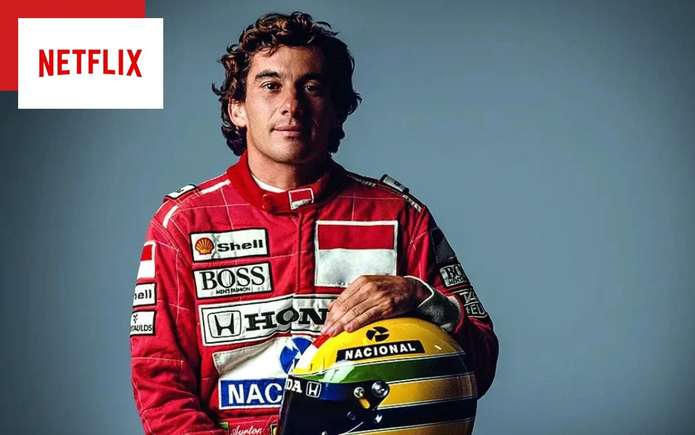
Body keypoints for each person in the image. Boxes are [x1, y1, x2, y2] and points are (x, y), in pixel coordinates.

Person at [130, 11, 498, 435]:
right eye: (271, 86)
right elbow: (161, 389)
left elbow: (480, 364)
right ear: (238, 108)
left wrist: (422, 297)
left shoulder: (399, 216)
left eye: (312, 87)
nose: (292, 105)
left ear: (338, 110)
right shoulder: (184, 224)